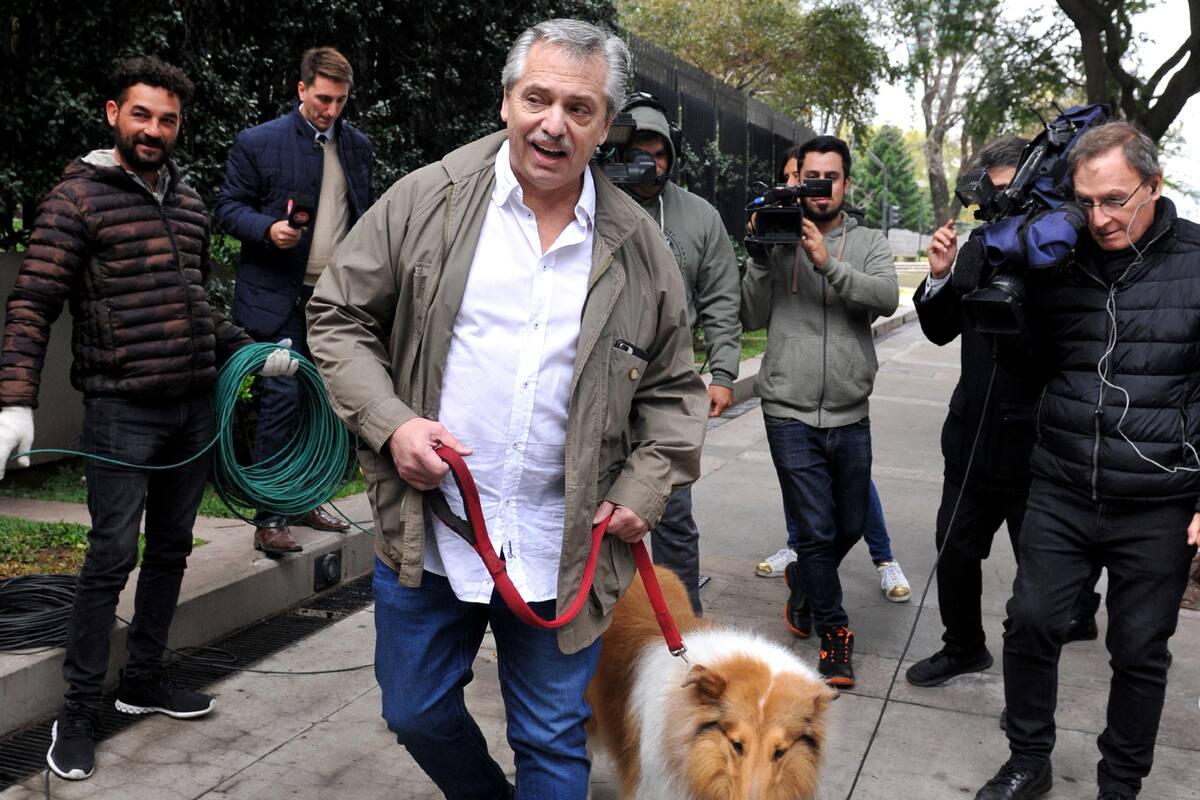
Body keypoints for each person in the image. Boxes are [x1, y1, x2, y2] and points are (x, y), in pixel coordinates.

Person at [305, 19, 707, 799]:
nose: (554, 123)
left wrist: (644, 488)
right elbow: (337, 315)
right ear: (506, 103)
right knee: (415, 711)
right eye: (538, 98)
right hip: (434, 533)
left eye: (580, 109)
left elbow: (675, 389)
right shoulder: (428, 199)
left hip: (565, 550)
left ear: (603, 126)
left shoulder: (640, 247)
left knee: (553, 741)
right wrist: (393, 424)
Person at [0, 57, 296, 782]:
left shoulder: (189, 205)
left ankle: (143, 681)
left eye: (166, 119)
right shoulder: (76, 200)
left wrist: (255, 352)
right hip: (120, 411)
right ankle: (76, 714)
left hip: (192, 407)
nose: (154, 130)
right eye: (141, 115)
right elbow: (33, 303)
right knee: (109, 560)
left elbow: (193, 305)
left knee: (170, 551)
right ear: (112, 113)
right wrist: (15, 400)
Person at [973, 121, 1200, 800]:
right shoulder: (1062, 259)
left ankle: (1120, 784)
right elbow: (1029, 364)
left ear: (1155, 185)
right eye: (1087, 202)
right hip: (1064, 484)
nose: (1100, 218)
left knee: (1137, 651)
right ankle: (1028, 760)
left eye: (1117, 200)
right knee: (1031, 623)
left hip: (1158, 499)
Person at [906, 136, 1101, 689]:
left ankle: (1038, 666)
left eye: (1008, 195)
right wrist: (941, 275)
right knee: (955, 552)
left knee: (1040, 583)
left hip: (1040, 450)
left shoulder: (1067, 253)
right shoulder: (979, 245)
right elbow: (942, 329)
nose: (999, 209)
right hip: (972, 441)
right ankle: (963, 647)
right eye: (991, 197)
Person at [740, 135, 899, 687]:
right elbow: (750, 315)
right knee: (814, 526)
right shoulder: (778, 237)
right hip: (787, 408)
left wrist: (829, 264)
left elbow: (884, 298)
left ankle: (807, 584)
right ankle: (835, 635)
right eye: (809, 176)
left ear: (845, 183)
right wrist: (762, 253)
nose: (820, 186)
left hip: (851, 408)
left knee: (849, 524)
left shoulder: (870, 241)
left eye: (830, 177)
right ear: (794, 180)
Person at [214, 46, 374, 556]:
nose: (331, 110)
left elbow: (366, 216)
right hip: (275, 299)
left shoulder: (358, 147)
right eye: (323, 99)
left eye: (340, 101)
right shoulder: (258, 142)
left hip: (334, 299)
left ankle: (307, 500)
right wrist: (268, 229)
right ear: (302, 89)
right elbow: (226, 209)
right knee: (281, 401)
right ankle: (270, 516)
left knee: (326, 405)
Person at [618, 92, 740, 614]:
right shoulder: (587, 202)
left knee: (671, 513)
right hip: (593, 387)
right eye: (638, 149)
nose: (650, 162)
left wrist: (725, 372)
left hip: (666, 391)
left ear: (674, 155)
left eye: (659, 152)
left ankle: (682, 624)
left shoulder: (699, 217)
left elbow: (721, 298)